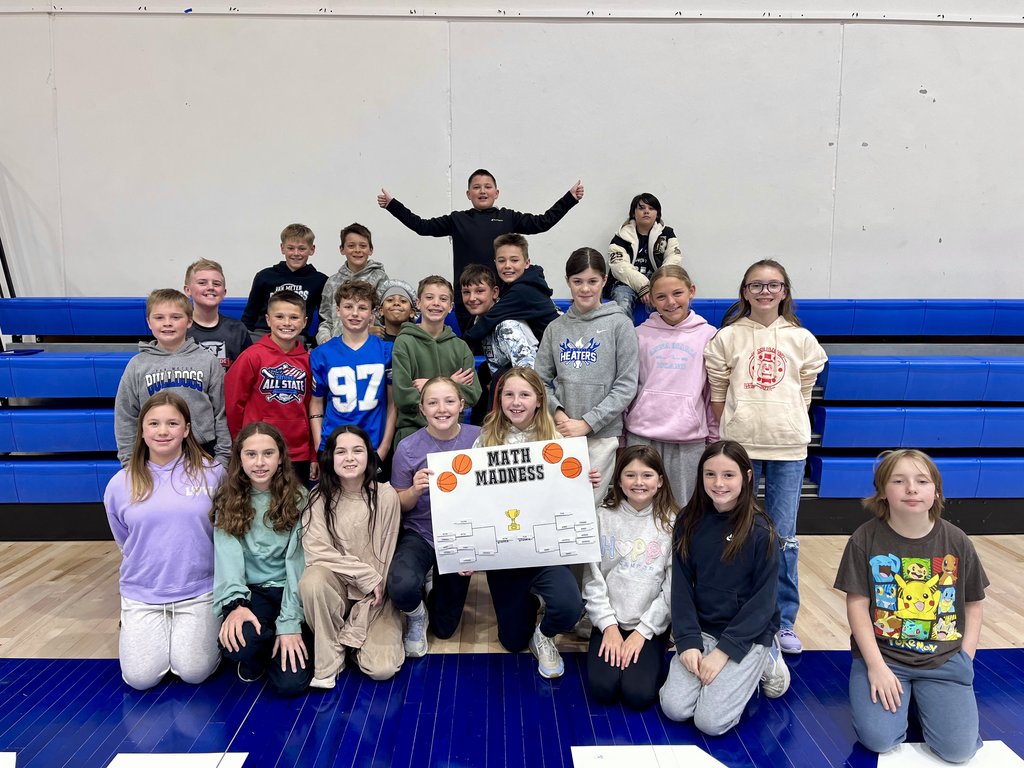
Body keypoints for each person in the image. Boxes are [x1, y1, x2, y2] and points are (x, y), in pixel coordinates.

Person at [703, 259, 828, 654]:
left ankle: (783, 620)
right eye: (756, 285)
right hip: (742, 448)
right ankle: (737, 612)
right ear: (744, 292)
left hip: (788, 447)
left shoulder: (801, 338)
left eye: (772, 285)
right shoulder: (728, 337)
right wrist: (736, 425)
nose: (764, 292)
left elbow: (805, 388)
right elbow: (718, 391)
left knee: (784, 537)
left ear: (784, 291)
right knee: (737, 531)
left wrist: (788, 419)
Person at [834, 450, 988, 763]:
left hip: (944, 661)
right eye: (899, 481)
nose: (912, 489)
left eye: (921, 481)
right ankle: (907, 696)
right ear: (882, 492)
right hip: (885, 657)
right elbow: (857, 607)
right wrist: (875, 666)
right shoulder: (865, 539)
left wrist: (966, 657)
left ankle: (923, 697)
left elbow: (974, 603)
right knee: (879, 739)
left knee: (958, 752)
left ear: (936, 491)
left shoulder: (957, 542)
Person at [659, 440, 790, 734]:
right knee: (675, 709)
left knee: (711, 723)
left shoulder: (761, 531)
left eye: (728, 475)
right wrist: (688, 641)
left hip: (747, 633)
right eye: (710, 474)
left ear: (746, 476)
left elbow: (763, 603)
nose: (718, 484)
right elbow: (680, 587)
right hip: (703, 628)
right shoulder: (688, 520)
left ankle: (767, 659)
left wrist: (724, 652)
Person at [473, 367, 593, 679]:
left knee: (567, 607)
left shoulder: (556, 440)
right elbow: (471, 500)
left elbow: (566, 494)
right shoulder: (484, 441)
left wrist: (582, 480)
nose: (516, 401)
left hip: (546, 550)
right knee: (512, 642)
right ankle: (526, 606)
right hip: (506, 554)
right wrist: (469, 549)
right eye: (508, 394)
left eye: (524, 394)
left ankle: (544, 634)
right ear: (499, 399)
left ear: (539, 400)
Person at [103, 392, 225, 690]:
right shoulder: (120, 484)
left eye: (172, 423)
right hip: (143, 594)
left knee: (194, 672)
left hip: (198, 592)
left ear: (186, 430)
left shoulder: (212, 474)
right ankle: (145, 627)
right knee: (139, 679)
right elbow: (124, 540)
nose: (163, 431)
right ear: (142, 430)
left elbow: (224, 533)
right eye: (154, 423)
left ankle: (196, 631)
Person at [377, 169, 584, 331]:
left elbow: (543, 222)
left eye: (487, 186)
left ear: (497, 192)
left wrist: (569, 199)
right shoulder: (457, 219)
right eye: (476, 187)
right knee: (473, 343)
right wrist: (393, 205)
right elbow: (421, 226)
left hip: (503, 296)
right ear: (468, 194)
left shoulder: (508, 217)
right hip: (468, 297)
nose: (482, 191)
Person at [299, 425, 404, 688]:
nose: (349, 458)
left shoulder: (386, 495)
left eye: (357, 451)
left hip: (376, 595)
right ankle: (332, 652)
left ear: (369, 456)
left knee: (382, 669)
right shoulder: (318, 498)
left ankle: (357, 639)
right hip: (339, 590)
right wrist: (364, 576)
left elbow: (387, 551)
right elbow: (317, 551)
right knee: (312, 580)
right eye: (341, 452)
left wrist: (372, 586)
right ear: (330, 458)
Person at [212, 422, 313, 696]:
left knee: (290, 684)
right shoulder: (227, 500)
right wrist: (237, 604)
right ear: (239, 459)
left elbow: (297, 563)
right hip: (252, 593)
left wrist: (290, 622)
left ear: (280, 457)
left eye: (268, 453)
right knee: (239, 642)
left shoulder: (300, 499)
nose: (259, 462)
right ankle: (260, 648)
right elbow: (228, 558)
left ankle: (282, 640)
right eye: (251, 454)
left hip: (289, 592)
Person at [534, 247, 639, 503]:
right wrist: (558, 413)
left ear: (604, 280)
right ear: (568, 281)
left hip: (601, 437)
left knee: (588, 506)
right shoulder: (555, 328)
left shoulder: (620, 325)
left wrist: (588, 422)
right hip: (560, 433)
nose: (585, 289)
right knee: (557, 504)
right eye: (577, 281)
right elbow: (540, 381)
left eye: (593, 281)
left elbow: (626, 385)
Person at [386, 377, 481, 657]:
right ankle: (417, 614)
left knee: (445, 628)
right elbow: (399, 503)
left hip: (462, 534)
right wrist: (414, 490)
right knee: (401, 587)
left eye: (450, 401)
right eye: (433, 402)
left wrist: (478, 548)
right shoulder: (407, 448)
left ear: (462, 405)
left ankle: (435, 585)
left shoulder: (481, 438)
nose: (442, 409)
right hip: (422, 533)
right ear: (422, 409)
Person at [583, 445, 677, 710]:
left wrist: (643, 632)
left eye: (647, 475)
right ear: (619, 480)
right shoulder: (602, 517)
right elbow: (592, 580)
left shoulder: (673, 522)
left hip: (649, 625)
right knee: (603, 690)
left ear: (659, 481)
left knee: (638, 696)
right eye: (630, 475)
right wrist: (609, 627)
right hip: (610, 621)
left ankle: (655, 649)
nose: (638, 482)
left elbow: (671, 589)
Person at [625, 265, 717, 505]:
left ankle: (681, 545)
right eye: (661, 296)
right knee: (641, 506)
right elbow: (628, 387)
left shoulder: (708, 335)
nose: (670, 302)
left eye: (677, 293)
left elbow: (711, 393)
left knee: (683, 508)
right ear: (651, 300)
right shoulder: (639, 335)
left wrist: (714, 440)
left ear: (691, 291)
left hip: (688, 440)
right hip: (642, 436)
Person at [114, 288, 230, 467]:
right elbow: (126, 415)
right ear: (149, 322)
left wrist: (223, 460)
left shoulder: (208, 361)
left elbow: (222, 412)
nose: (167, 323)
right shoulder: (137, 365)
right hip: (153, 455)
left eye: (176, 317)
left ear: (189, 321)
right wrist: (129, 462)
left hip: (203, 452)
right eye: (159, 317)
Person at [225, 291, 314, 483]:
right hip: (259, 452)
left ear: (305, 322)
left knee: (296, 506)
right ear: (268, 319)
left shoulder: (308, 361)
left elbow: (312, 409)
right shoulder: (252, 356)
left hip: (298, 453)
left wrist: (313, 454)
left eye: (294, 317)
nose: (287, 323)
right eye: (279, 316)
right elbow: (234, 405)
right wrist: (240, 445)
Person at [308, 280, 397, 464]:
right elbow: (316, 403)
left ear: (372, 313)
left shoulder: (387, 351)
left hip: (373, 445)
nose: (355, 313)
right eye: (348, 306)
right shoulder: (321, 354)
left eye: (362, 307)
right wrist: (319, 445)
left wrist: (384, 448)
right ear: (338, 310)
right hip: (333, 446)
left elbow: (392, 404)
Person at [391, 276, 481, 444]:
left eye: (443, 299)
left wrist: (430, 384)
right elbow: (403, 396)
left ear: (451, 307)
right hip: (413, 432)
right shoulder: (404, 342)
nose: (436, 303)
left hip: (453, 434)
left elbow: (473, 394)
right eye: (429, 297)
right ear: (418, 303)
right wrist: (452, 385)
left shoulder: (460, 347)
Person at [459, 263, 541, 420]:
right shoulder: (479, 320)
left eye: (480, 291)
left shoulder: (506, 325)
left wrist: (503, 389)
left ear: (495, 292)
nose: (472, 298)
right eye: (466, 292)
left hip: (520, 398)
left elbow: (529, 372)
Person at [241, 223, 327, 340]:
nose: (296, 253)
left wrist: (314, 344)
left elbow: (325, 318)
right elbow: (250, 314)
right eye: (290, 248)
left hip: (296, 336)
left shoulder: (320, 280)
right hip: (262, 334)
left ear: (312, 250)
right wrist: (244, 340)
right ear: (282, 248)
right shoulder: (264, 276)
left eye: (302, 248)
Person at [607, 193, 683, 316]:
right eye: (641, 208)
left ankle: (664, 335)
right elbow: (619, 267)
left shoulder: (667, 234)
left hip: (658, 282)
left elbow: (674, 259)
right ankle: (624, 335)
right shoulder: (621, 237)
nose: (646, 211)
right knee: (622, 303)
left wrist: (659, 282)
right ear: (633, 213)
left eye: (651, 208)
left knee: (669, 302)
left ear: (657, 214)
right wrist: (643, 286)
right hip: (626, 283)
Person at [316, 223, 390, 344]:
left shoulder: (381, 279)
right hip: (337, 346)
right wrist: (324, 338)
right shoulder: (332, 282)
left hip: (366, 345)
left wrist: (369, 331)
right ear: (342, 249)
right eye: (351, 246)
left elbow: (384, 315)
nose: (357, 250)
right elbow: (326, 319)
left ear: (370, 250)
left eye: (363, 246)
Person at [183, 258, 252, 371]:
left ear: (224, 292)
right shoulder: (181, 329)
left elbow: (248, 370)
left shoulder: (237, 329)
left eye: (216, 284)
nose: (210, 287)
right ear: (187, 290)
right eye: (202, 283)